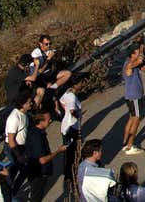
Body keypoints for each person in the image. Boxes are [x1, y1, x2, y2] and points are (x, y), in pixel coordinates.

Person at [23, 110, 66, 202]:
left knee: (35, 195)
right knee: (36, 197)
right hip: (39, 173)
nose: (50, 121)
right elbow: (42, 160)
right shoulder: (37, 138)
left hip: (33, 170)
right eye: (48, 120)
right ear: (41, 121)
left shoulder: (33, 130)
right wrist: (58, 151)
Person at [53, 72, 82, 202]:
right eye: (82, 82)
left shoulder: (67, 93)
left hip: (66, 127)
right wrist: (77, 117)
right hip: (71, 128)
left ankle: (69, 177)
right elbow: (71, 110)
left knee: (69, 153)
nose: (83, 84)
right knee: (72, 153)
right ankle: (71, 179)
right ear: (76, 84)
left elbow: (61, 101)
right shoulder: (71, 97)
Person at [3, 92, 33, 197]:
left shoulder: (24, 114)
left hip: (20, 146)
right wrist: (18, 155)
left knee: (17, 171)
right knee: (19, 171)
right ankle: (9, 193)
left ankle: (10, 192)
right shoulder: (14, 117)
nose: (31, 104)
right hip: (13, 148)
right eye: (29, 102)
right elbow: (11, 139)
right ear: (22, 104)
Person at [120, 42, 145, 155]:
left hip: (133, 96)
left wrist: (143, 56)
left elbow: (144, 69)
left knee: (131, 118)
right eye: (137, 52)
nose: (140, 53)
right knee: (136, 119)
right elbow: (139, 60)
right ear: (132, 54)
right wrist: (141, 48)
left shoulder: (134, 64)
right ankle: (130, 145)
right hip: (134, 97)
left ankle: (125, 143)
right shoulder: (129, 65)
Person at [2, 56, 34, 138]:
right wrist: (36, 66)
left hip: (16, 96)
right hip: (14, 99)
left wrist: (26, 81)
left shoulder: (17, 70)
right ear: (26, 64)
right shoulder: (16, 71)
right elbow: (33, 78)